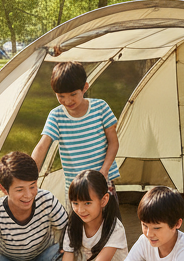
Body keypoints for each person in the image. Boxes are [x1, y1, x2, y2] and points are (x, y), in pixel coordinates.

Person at [31, 61, 120, 191]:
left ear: (85, 87)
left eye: (73, 94)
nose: (67, 101)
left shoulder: (100, 108)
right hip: (76, 186)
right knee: (79, 211)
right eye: (61, 96)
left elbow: (113, 143)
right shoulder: (56, 116)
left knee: (106, 211)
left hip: (103, 181)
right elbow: (42, 147)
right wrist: (30, 177)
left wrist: (104, 171)